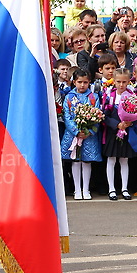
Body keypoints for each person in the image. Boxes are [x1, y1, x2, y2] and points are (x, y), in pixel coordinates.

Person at [60, 69, 102, 200]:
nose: (82, 85)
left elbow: (98, 115)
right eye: (79, 82)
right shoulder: (69, 97)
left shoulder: (94, 97)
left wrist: (89, 131)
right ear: (74, 82)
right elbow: (66, 116)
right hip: (73, 135)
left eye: (85, 82)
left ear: (89, 82)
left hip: (88, 136)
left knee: (87, 161)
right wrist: (77, 131)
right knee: (75, 161)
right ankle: (77, 189)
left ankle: (86, 189)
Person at [102, 68, 137, 200]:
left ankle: (124, 188)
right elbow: (104, 115)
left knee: (124, 160)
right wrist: (116, 124)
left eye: (124, 82)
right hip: (113, 132)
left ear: (129, 81)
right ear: (114, 81)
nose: (121, 85)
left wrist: (130, 122)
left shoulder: (132, 95)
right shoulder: (108, 95)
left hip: (127, 131)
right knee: (111, 159)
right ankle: (111, 189)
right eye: (118, 82)